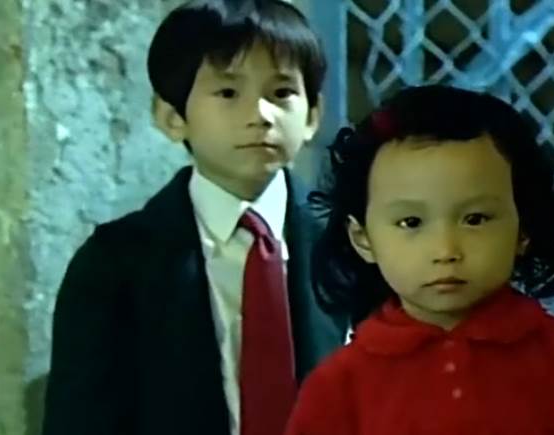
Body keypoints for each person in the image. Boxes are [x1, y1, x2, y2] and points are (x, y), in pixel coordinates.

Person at [42, 2, 347, 435]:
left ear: (313, 115)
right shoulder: (116, 264)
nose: (260, 115)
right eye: (228, 93)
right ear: (172, 117)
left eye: (281, 93)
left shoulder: (350, 245)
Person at [285, 84, 554, 435]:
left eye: (475, 219)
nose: (445, 250)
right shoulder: (338, 387)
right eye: (411, 222)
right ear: (362, 238)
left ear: (524, 228)